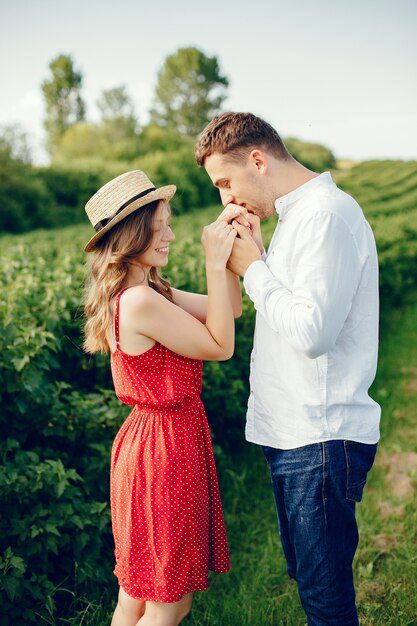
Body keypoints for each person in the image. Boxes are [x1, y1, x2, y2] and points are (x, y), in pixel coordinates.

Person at [195, 112, 380, 625]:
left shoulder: (325, 215)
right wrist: (257, 258)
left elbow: (313, 333)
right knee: (312, 584)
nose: (226, 199)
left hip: (318, 436)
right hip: (295, 434)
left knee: (326, 600)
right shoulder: (298, 218)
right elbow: (289, 313)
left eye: (225, 183)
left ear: (258, 160)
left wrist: (252, 268)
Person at [83, 170, 244, 626]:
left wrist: (228, 253)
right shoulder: (139, 302)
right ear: (133, 236)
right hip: (163, 451)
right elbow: (220, 346)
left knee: (136, 595)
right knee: (169, 602)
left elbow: (227, 309)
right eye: (160, 228)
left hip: (157, 442)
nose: (171, 235)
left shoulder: (150, 291)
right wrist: (213, 264)